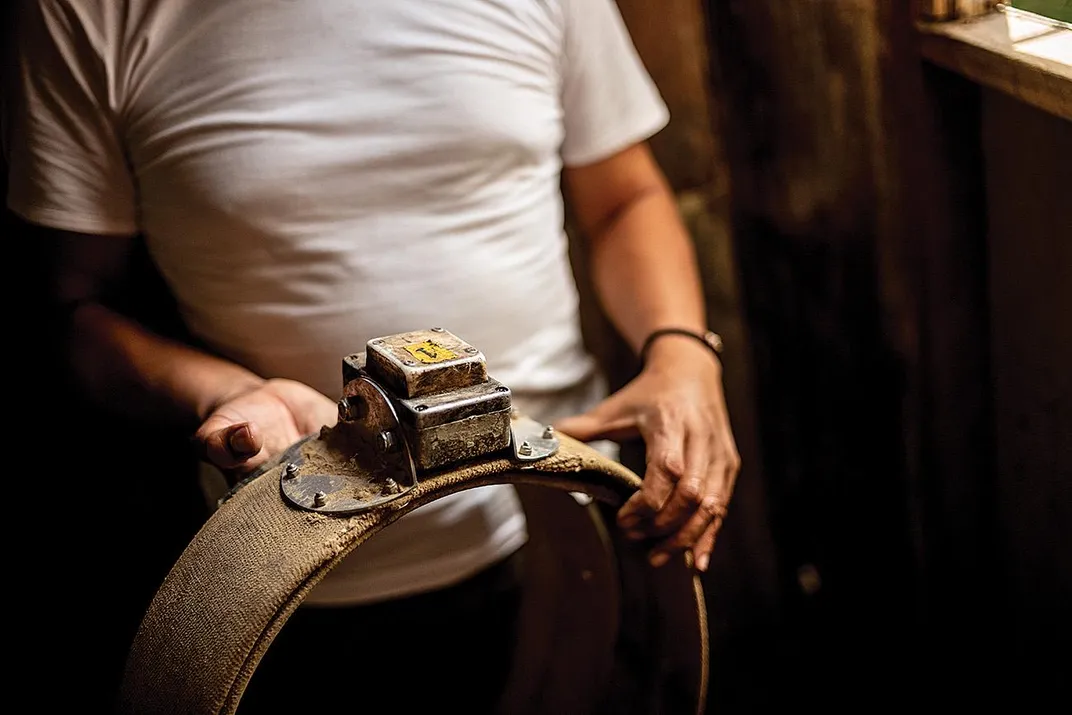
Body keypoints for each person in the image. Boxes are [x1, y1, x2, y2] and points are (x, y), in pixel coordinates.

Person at [7, 0, 740, 711]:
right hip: (285, 588)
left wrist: (681, 350)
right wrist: (220, 391)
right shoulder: (84, 10)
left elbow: (624, 198)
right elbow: (73, 307)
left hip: (571, 529)